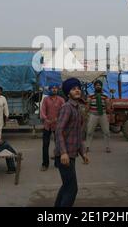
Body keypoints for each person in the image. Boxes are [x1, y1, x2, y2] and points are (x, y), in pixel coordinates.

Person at [54, 78, 90, 207]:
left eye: (78, 88)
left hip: (71, 154)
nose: (77, 90)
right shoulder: (67, 108)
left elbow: (78, 134)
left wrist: (83, 153)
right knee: (72, 188)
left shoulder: (77, 109)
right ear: (68, 93)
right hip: (65, 156)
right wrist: (63, 153)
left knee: (67, 186)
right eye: (73, 89)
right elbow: (58, 130)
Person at [40, 83, 65, 171]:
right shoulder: (46, 99)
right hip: (47, 125)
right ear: (49, 89)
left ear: (58, 90)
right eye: (52, 88)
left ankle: (57, 163)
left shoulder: (61, 100)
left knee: (58, 145)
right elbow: (42, 110)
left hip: (58, 125)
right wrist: (46, 119)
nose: (54, 89)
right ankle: (45, 164)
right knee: (45, 145)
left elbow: (64, 111)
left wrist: (58, 118)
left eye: (56, 88)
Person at [85, 80, 111, 153]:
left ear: (101, 87)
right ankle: (87, 147)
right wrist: (85, 115)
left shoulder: (105, 96)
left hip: (103, 115)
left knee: (106, 132)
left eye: (99, 85)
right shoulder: (91, 95)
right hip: (93, 115)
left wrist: (109, 105)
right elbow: (87, 106)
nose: (98, 86)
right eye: (97, 85)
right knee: (89, 131)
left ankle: (107, 147)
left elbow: (107, 107)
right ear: (94, 87)